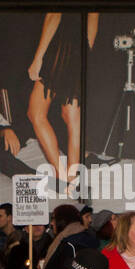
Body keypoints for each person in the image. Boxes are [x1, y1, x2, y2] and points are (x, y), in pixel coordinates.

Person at [26, 13, 95, 181]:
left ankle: (61, 175)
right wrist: (85, 53)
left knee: (35, 114)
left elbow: (53, 15)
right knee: (72, 117)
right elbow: (93, 18)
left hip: (59, 46)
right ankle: (73, 178)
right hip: (80, 48)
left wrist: (38, 58)